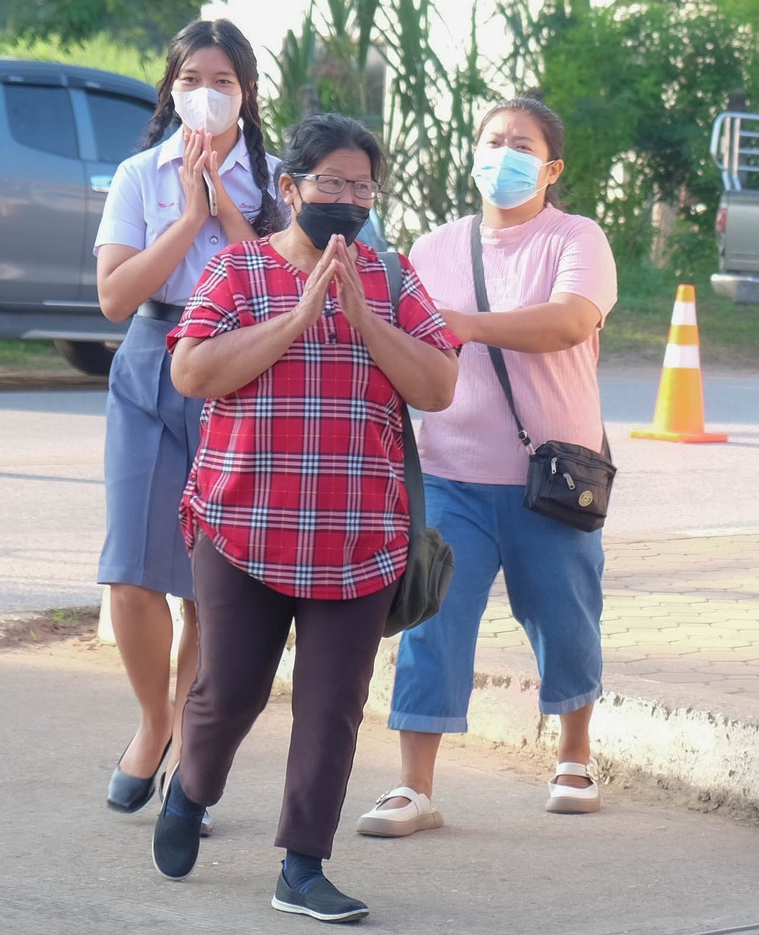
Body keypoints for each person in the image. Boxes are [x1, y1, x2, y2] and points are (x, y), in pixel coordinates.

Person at [155, 112, 460, 922]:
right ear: (289, 187)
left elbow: (437, 385)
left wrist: (364, 317)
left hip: (358, 536)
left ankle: (302, 865)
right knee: (232, 691)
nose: (348, 198)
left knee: (332, 705)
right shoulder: (238, 270)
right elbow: (191, 370)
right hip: (241, 526)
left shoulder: (391, 280)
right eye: (331, 181)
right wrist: (296, 318)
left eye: (362, 185)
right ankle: (189, 788)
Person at [359, 96, 618, 838]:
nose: (503, 153)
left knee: (567, 620)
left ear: (552, 166)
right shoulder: (435, 247)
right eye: (493, 139)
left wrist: (466, 325)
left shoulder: (577, 237)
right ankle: (414, 786)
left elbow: (571, 317)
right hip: (450, 474)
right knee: (431, 621)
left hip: (555, 476)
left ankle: (574, 754)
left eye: (521, 143)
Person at [94, 18, 281, 823]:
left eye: (224, 81)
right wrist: (186, 218)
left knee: (214, 581)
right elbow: (114, 295)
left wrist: (227, 212)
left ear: (247, 93)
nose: (207, 94)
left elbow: (281, 280)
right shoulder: (140, 172)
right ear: (171, 86)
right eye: (192, 79)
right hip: (150, 357)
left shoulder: (276, 180)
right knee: (131, 570)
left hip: (237, 367)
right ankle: (154, 722)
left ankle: (195, 758)